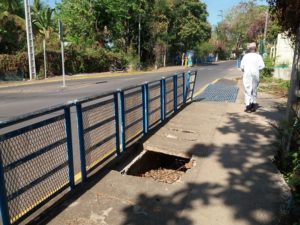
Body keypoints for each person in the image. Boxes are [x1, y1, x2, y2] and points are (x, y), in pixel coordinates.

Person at [240, 42, 265, 113]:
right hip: (255, 74)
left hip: (247, 74)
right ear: (255, 48)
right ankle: (253, 105)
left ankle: (248, 106)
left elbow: (242, 67)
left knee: (247, 89)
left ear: (249, 49)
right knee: (254, 89)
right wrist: (257, 69)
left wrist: (244, 70)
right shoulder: (258, 56)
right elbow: (262, 66)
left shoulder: (245, 56)